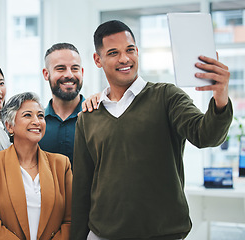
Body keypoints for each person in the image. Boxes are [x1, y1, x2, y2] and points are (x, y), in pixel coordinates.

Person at [71, 20, 233, 240]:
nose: (124, 59)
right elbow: (82, 188)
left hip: (163, 234)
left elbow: (206, 135)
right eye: (113, 53)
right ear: (97, 60)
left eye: (129, 50)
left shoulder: (167, 96)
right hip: (102, 234)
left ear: (137, 51)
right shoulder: (89, 115)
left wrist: (220, 96)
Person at [0, 92, 72, 240]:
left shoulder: (61, 164)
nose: (37, 121)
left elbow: (70, 220)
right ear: (9, 126)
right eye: (28, 115)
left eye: (40, 115)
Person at [39, 43, 84, 166]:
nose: (69, 74)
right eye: (60, 68)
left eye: (75, 68)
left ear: (82, 72)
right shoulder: (36, 125)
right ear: (46, 74)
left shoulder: (97, 117)